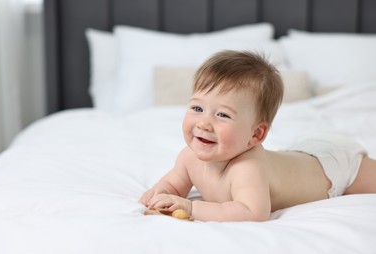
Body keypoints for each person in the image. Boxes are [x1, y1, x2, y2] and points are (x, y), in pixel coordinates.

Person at [139, 50, 376, 222]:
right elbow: (174, 183)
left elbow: (252, 212)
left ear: (256, 134)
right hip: (301, 153)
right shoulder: (189, 158)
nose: (204, 123)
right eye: (197, 108)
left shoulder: (247, 167)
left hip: (332, 166)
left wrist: (192, 207)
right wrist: (160, 194)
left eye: (222, 114)